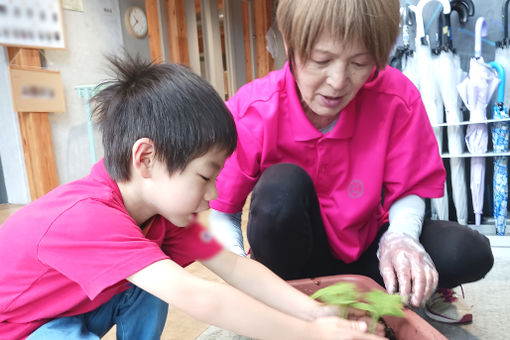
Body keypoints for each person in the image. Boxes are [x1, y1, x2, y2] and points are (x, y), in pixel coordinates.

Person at [0, 56, 385, 340]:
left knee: (149, 280)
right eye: (205, 176)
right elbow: (201, 298)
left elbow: (233, 266)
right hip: (22, 328)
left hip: (69, 308)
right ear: (146, 158)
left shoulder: (161, 217)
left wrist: (315, 312)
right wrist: (313, 335)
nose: (214, 193)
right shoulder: (87, 218)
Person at [209, 0, 494, 325]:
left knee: (468, 252)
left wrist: (401, 238)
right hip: (294, 257)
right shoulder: (252, 109)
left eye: (360, 63)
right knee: (280, 187)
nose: (338, 81)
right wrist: (239, 271)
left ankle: (405, 286)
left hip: (368, 250)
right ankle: (288, 297)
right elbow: (222, 210)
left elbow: (410, 188)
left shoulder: (396, 98)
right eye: (321, 60)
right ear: (288, 40)